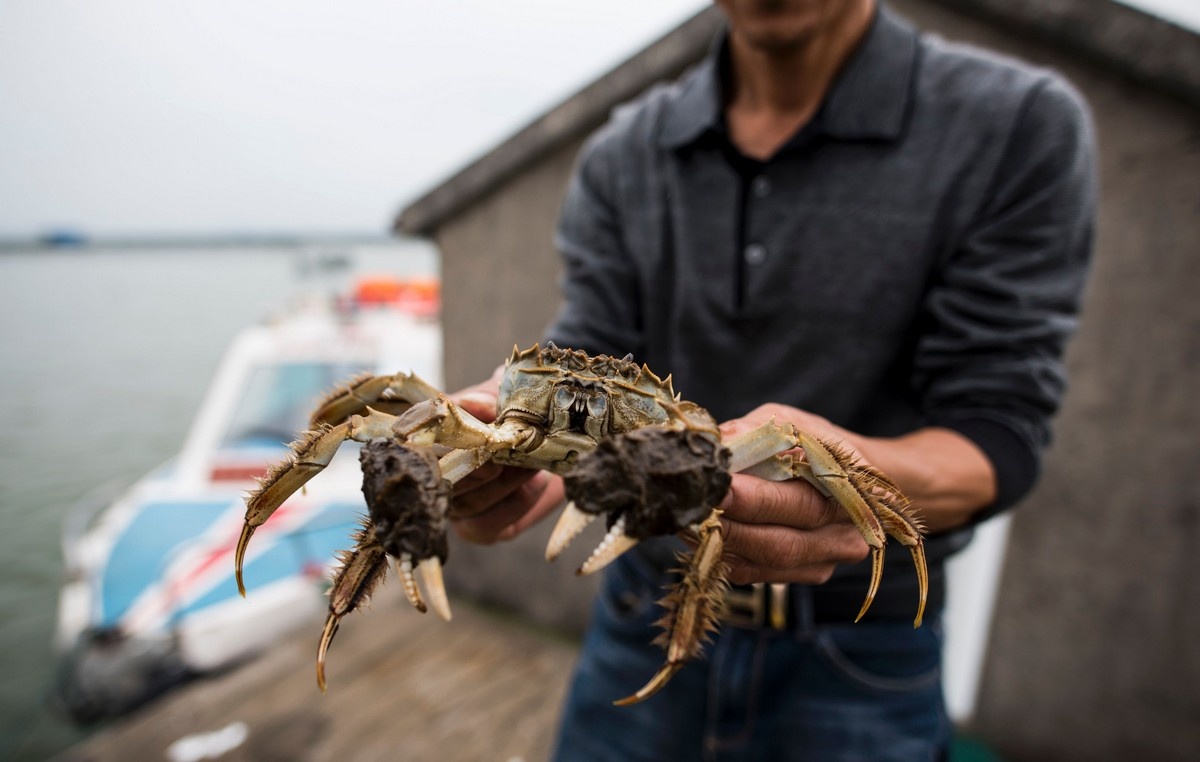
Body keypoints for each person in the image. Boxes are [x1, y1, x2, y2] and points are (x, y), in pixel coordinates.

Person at [450, 0, 1094, 759]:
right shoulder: (624, 152)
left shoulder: (1016, 125)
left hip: (864, 648)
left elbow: (998, 428)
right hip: (639, 617)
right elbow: (589, 352)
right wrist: (504, 460)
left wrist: (850, 474)